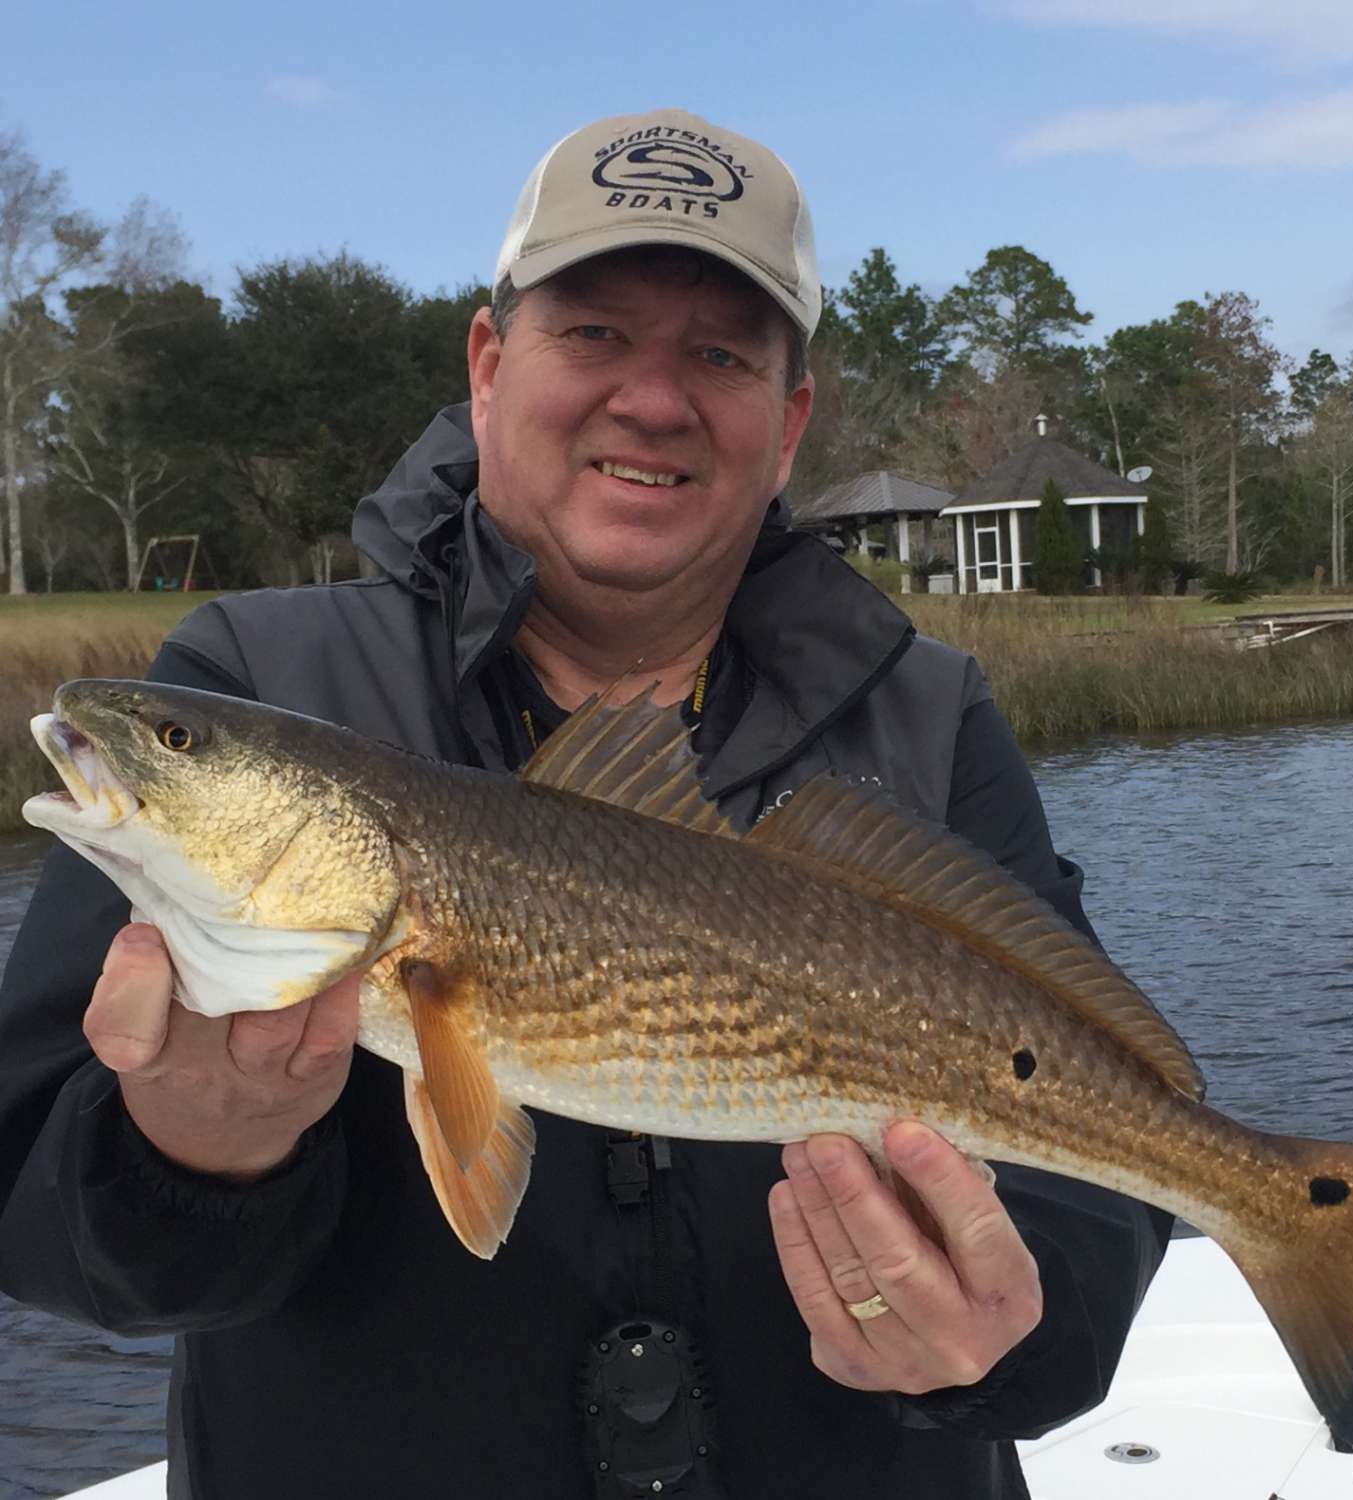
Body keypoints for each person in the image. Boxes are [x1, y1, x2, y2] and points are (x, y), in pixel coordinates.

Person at [0, 108, 1171, 1499]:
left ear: (789, 423)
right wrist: (185, 1159)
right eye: (595, 335)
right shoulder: (253, 670)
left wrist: (1003, 1334)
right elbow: (41, 1216)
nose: (655, 400)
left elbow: (1106, 1173)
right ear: (490, 366)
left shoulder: (930, 712)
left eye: (721, 354)